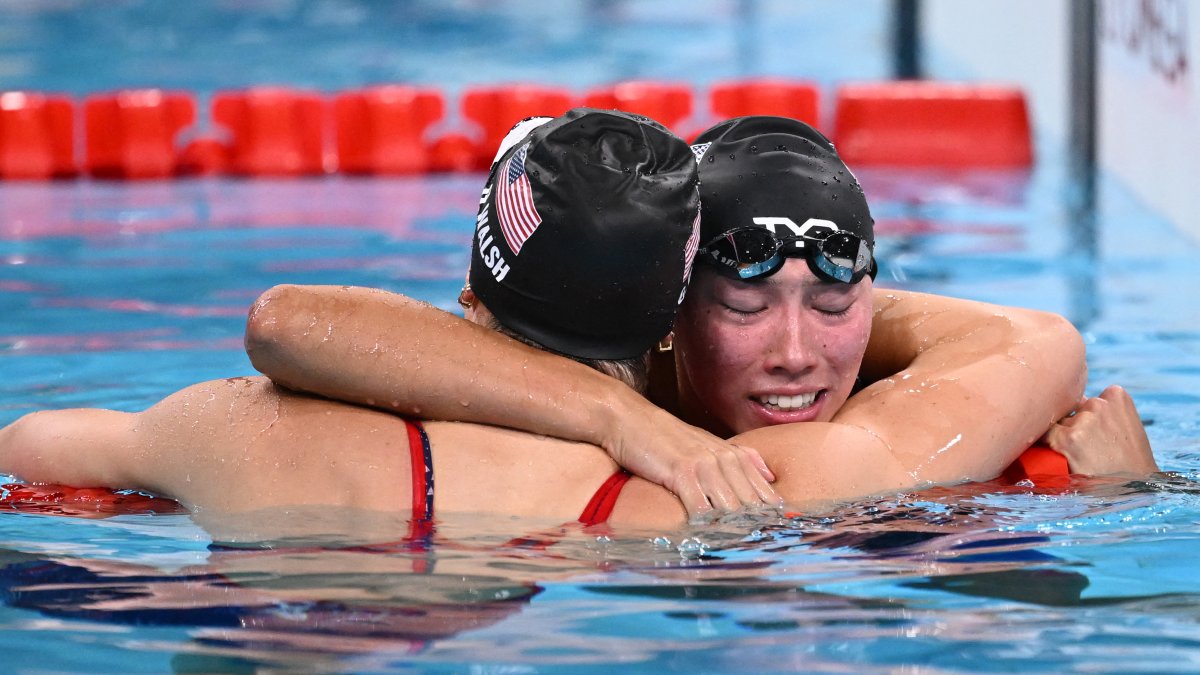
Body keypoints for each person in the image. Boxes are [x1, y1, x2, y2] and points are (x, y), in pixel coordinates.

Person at [0, 111, 1155, 537]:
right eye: (738, 298)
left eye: (829, 301)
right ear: (666, 323)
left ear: (468, 297)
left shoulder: (230, 427)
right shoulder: (713, 494)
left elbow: (30, 454)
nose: (794, 347)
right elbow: (1036, 346)